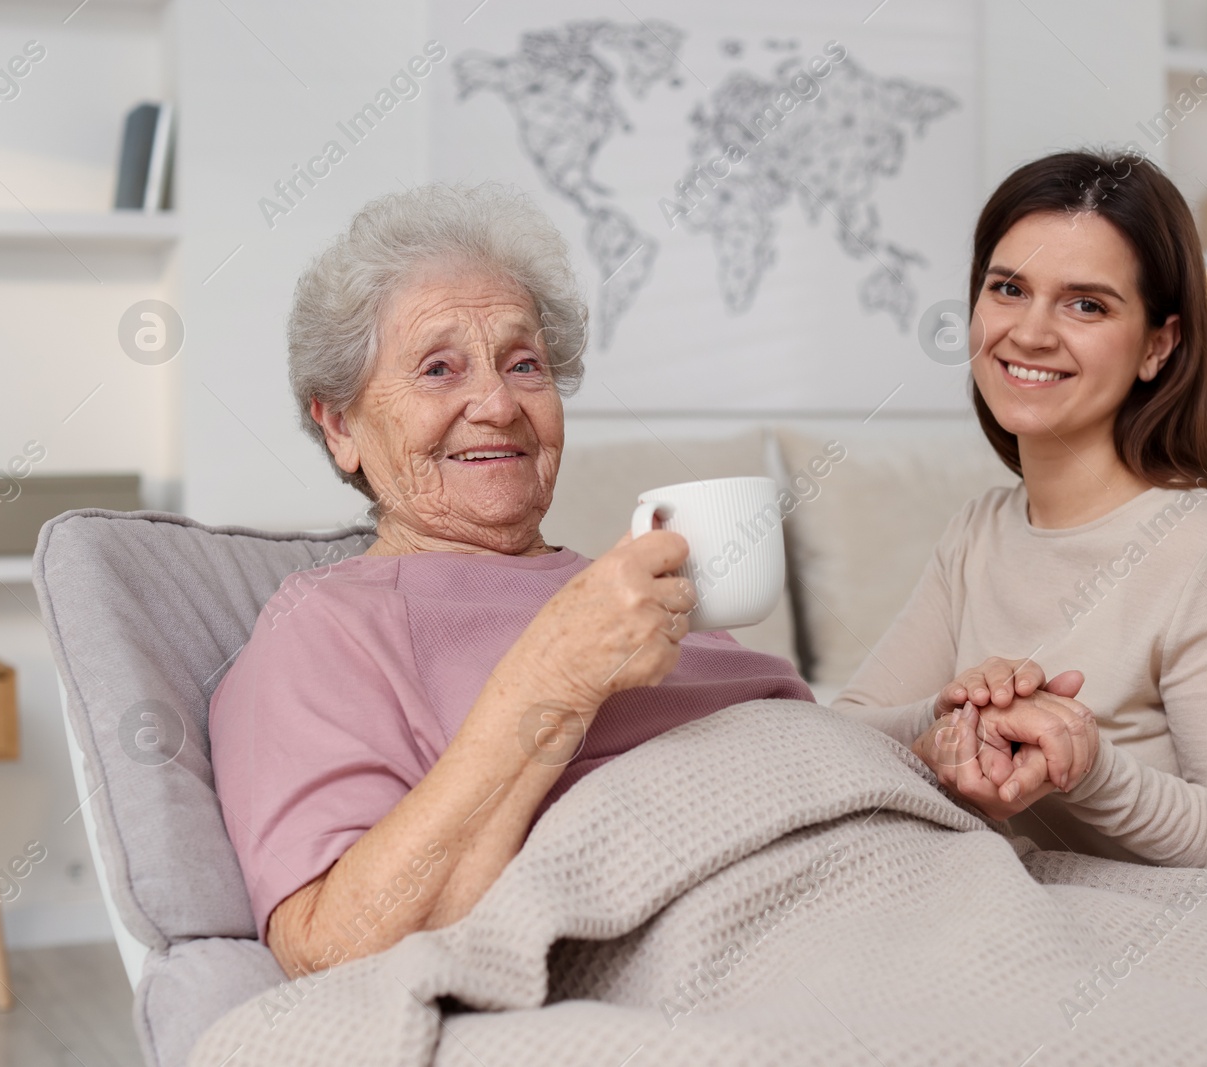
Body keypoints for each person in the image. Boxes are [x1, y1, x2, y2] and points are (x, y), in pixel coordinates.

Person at [207, 183, 822, 978]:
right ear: (341, 426)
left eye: (524, 363)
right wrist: (557, 676)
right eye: (438, 369)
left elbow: (790, 747)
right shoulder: (327, 627)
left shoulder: (623, 589)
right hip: (729, 950)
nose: (497, 403)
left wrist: (931, 743)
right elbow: (332, 946)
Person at [832, 150, 1207, 904]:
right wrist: (944, 721)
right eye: (1008, 289)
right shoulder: (980, 532)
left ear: (1159, 345)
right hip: (992, 926)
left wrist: (1092, 771)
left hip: (1151, 957)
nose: (1029, 333)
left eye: (1085, 304)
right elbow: (844, 735)